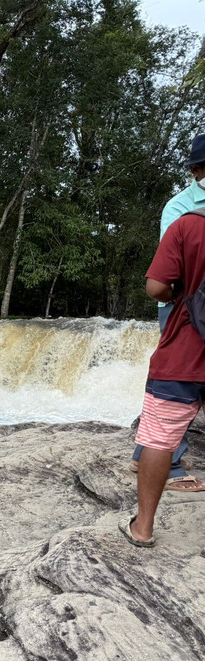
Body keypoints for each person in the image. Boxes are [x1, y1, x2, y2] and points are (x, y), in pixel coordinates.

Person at [123, 180, 205, 547]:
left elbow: (156, 286)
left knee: (159, 438)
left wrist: (178, 296)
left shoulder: (187, 223)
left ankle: (142, 529)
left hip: (186, 349)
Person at [130, 133, 205, 492]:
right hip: (181, 307)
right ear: (195, 171)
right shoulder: (180, 207)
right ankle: (171, 464)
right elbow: (167, 270)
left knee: (174, 383)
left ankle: (143, 453)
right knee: (177, 386)